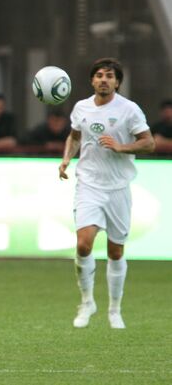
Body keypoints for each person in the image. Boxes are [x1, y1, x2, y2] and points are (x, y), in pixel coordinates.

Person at [58, 57, 155, 329]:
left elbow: (149, 143)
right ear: (92, 80)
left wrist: (122, 147)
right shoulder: (81, 107)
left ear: (118, 82)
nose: (104, 79)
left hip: (118, 188)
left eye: (109, 76)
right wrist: (66, 159)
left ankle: (115, 309)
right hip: (89, 184)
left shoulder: (129, 110)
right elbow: (75, 136)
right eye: (99, 75)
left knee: (115, 251)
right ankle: (87, 302)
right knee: (83, 244)